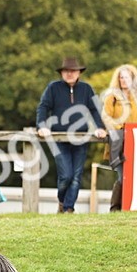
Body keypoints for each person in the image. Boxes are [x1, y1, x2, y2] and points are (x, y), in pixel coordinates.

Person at [36, 57, 107, 214]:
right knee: (66, 176)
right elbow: (43, 107)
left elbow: (95, 109)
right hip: (59, 139)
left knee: (76, 176)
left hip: (80, 138)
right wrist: (41, 126)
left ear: (79, 73)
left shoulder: (86, 89)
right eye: (66, 71)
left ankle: (69, 209)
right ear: (61, 72)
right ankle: (62, 201)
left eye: (73, 71)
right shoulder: (53, 88)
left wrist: (100, 128)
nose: (69, 74)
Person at [101, 64, 137, 212]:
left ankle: (128, 207)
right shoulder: (112, 97)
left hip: (135, 142)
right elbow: (106, 116)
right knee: (122, 175)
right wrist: (120, 129)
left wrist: (134, 132)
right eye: (121, 77)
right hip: (117, 141)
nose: (123, 80)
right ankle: (115, 208)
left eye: (127, 77)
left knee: (134, 175)